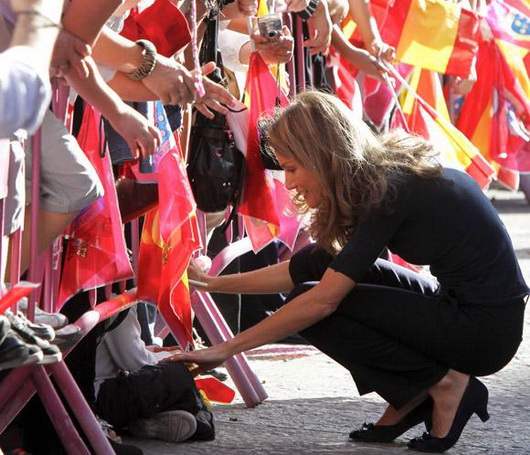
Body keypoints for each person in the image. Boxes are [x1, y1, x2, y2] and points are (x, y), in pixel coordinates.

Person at [175, 91, 529, 453]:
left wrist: (224, 350)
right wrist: (210, 283)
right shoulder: (384, 176)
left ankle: (442, 385)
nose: (291, 183)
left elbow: (322, 302)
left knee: (313, 305)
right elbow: (311, 266)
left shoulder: (389, 190)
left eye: (293, 169)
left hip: (484, 331)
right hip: (469, 311)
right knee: (319, 264)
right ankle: (412, 394)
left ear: (324, 156)